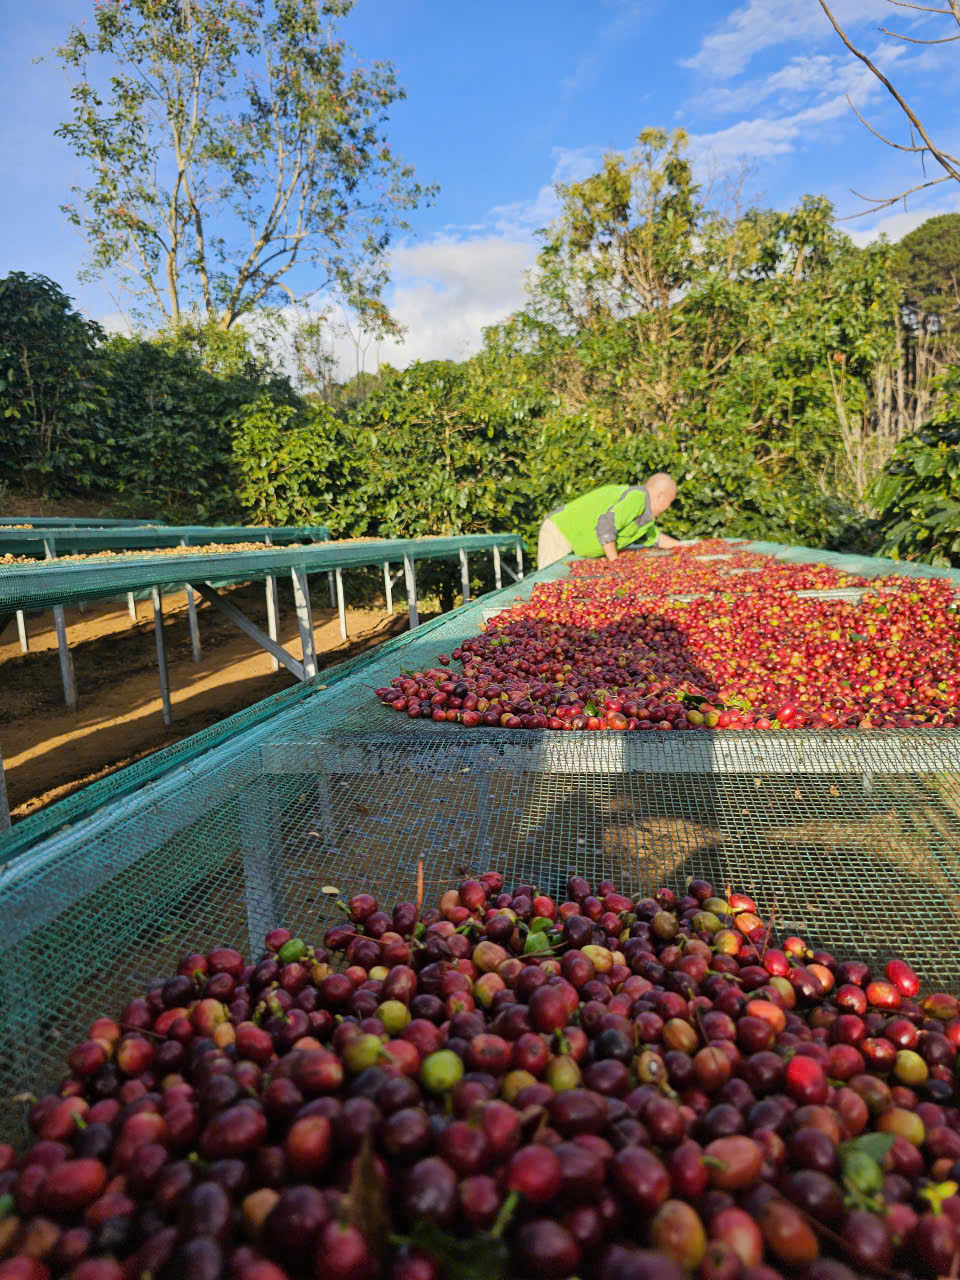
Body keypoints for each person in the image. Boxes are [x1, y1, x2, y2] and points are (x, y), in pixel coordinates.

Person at [537, 472, 681, 569]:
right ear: (661, 496)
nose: (668, 507)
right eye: (670, 501)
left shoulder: (644, 515)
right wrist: (615, 564)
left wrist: (685, 547)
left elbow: (656, 539)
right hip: (559, 531)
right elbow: (606, 525)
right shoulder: (637, 498)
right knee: (548, 584)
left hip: (572, 538)